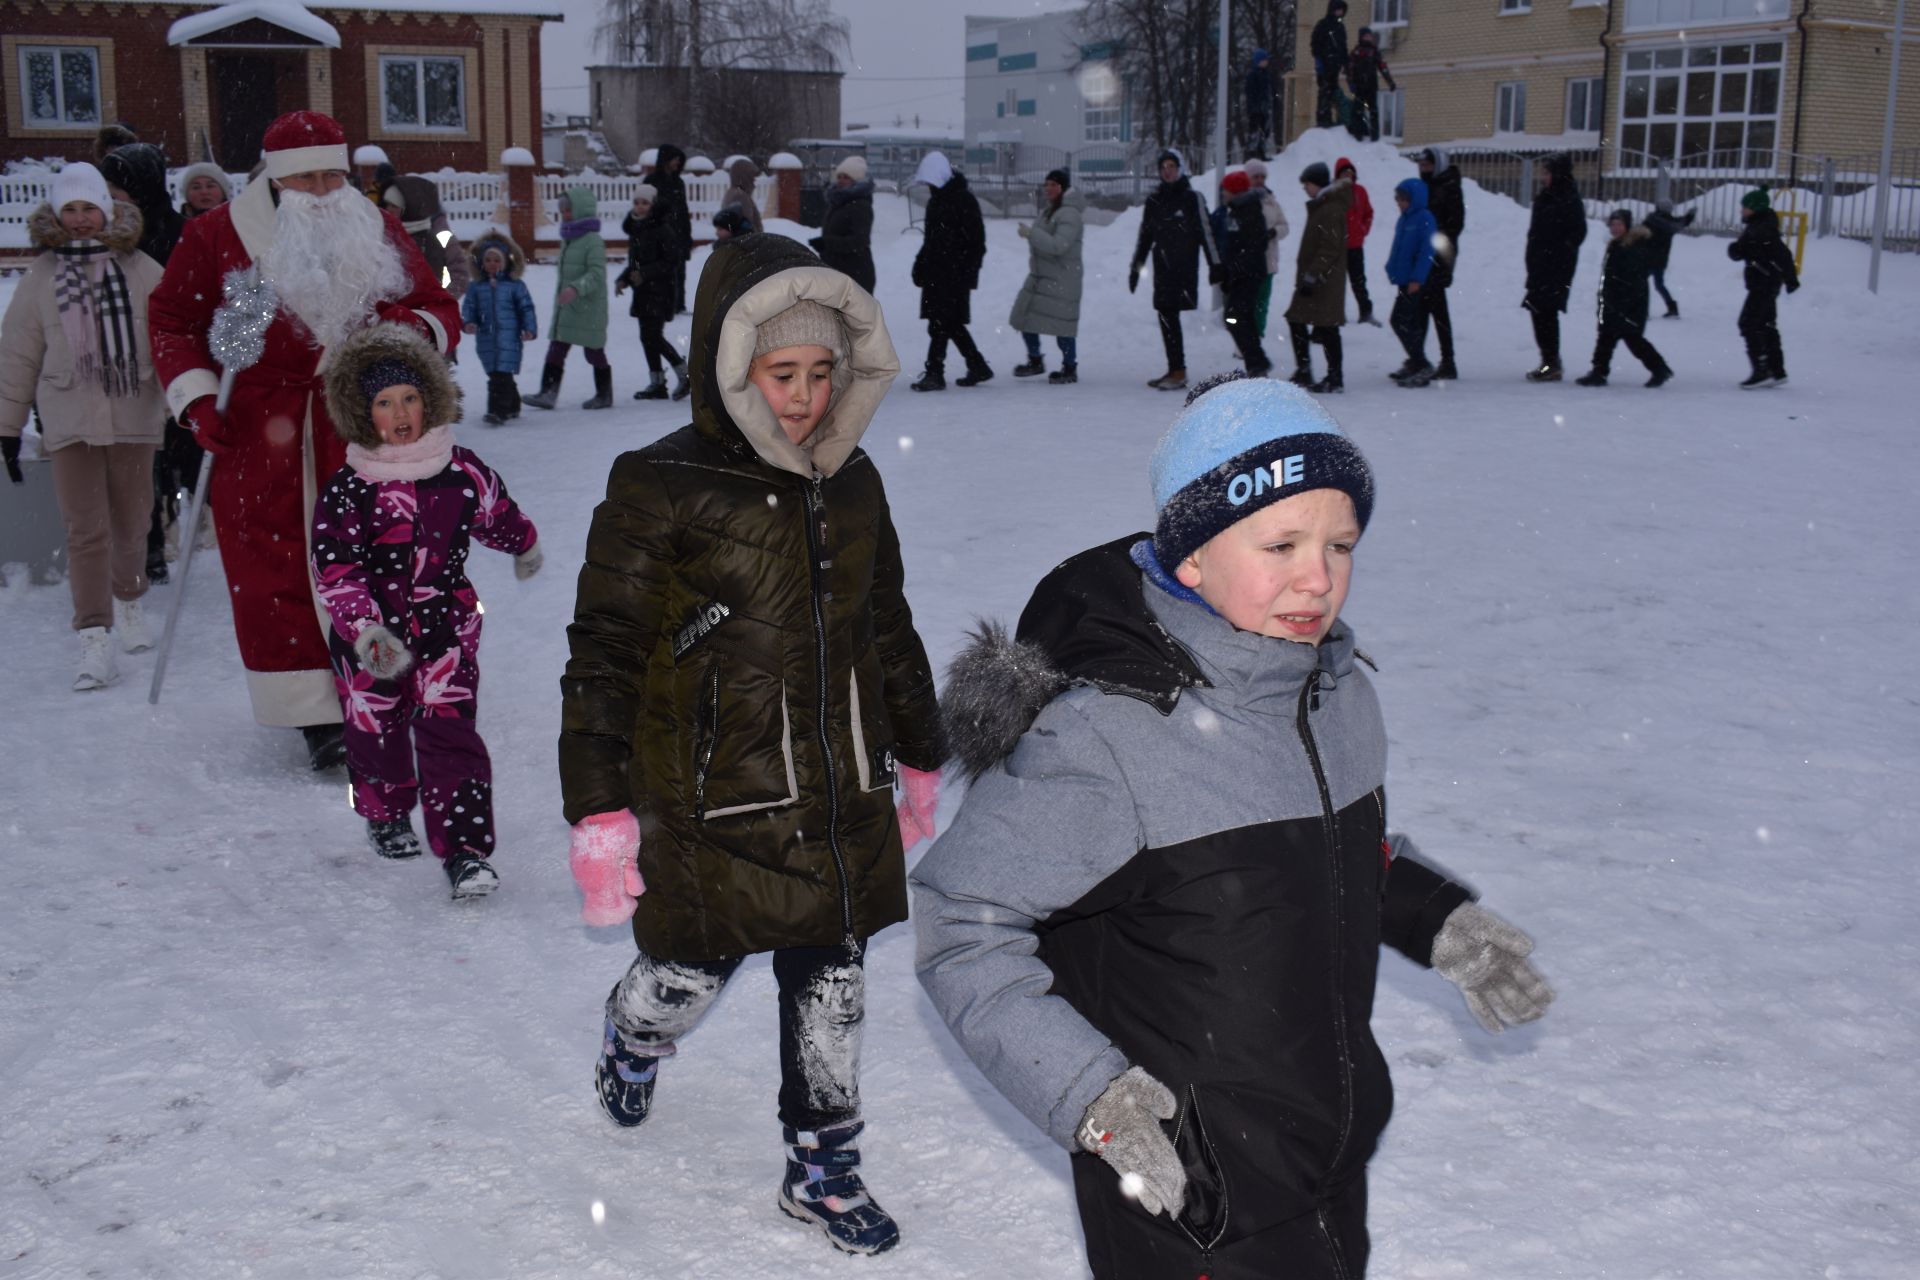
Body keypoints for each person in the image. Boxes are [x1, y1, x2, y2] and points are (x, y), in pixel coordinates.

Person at [912, 372, 1555, 1280]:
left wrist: (1431, 917)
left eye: (1341, 545)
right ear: (1191, 558)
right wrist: (1090, 1094)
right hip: (1189, 1193)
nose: (1317, 578)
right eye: (1281, 544)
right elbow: (960, 920)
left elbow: (1320, 856)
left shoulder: (1334, 691)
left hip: (1322, 1159)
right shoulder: (1110, 735)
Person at [560, 234, 945, 1258]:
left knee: (833, 975)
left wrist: (918, 741)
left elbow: (885, 618)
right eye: (784, 374)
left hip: (836, 781)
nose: (807, 397)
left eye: (824, 373)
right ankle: (637, 1028)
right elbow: (605, 648)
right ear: (732, 365)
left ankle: (823, 1163)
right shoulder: (661, 483)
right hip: (713, 790)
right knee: (690, 970)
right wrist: (598, 805)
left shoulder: (854, 481)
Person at [148, 111, 460, 771]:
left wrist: (414, 330)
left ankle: (376, 683)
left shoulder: (378, 226)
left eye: (331, 174)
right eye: (305, 177)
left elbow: (438, 305)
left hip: (359, 418)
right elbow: (172, 317)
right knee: (275, 565)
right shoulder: (215, 235)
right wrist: (199, 396)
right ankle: (314, 713)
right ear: (276, 178)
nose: (322, 189)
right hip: (260, 424)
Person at [313, 323, 540, 897]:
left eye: (411, 398)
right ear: (365, 414)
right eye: (385, 403)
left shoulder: (459, 469)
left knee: (450, 734)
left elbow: (497, 512)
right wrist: (365, 631)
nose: (402, 413)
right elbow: (335, 567)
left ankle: (464, 851)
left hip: (446, 629)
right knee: (377, 729)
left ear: (431, 399)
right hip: (372, 638)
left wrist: (524, 544)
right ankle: (385, 811)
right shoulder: (351, 487)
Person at [0, 162, 166, 690]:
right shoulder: (40, 278)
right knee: (84, 531)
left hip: (132, 414)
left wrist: (183, 400)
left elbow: (170, 338)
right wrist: (8, 424)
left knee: (134, 522)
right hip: (69, 418)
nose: (79, 219)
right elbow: (17, 356)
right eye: (68, 209)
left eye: (87, 208)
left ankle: (131, 602)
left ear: (106, 211)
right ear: (56, 214)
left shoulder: (142, 270)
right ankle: (94, 638)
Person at [99, 142, 194, 587]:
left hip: (174, 359)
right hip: (123, 360)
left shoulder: (178, 231)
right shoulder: (105, 233)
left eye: (119, 185)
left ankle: (184, 528)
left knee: (177, 454)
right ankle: (149, 545)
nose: (113, 195)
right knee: (142, 464)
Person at [1129, 149, 1222, 393]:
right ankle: (1175, 369)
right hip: (1162, 269)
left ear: (1179, 169)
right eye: (1163, 167)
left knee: (1170, 314)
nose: (1167, 171)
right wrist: (1136, 268)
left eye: (1172, 166)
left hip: (1183, 270)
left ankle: (1178, 370)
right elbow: (1145, 236)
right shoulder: (1154, 201)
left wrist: (1216, 265)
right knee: (1165, 315)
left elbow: (1206, 232)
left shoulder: (1192, 198)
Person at [523, 186, 612, 411]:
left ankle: (604, 395)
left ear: (581, 209)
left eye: (568, 209)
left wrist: (575, 288)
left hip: (588, 307)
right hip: (568, 306)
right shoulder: (569, 237)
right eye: (562, 209)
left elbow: (597, 274)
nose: (564, 213)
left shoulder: (592, 240)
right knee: (557, 348)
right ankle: (547, 393)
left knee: (593, 351)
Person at [909, 150, 991, 391]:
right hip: (937, 273)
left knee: (941, 324)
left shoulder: (963, 200)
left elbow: (977, 242)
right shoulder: (937, 200)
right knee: (948, 323)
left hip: (954, 275)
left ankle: (935, 372)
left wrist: (967, 272)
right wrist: (920, 264)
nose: (928, 187)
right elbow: (931, 240)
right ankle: (977, 365)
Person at [1574, 210, 1674, 389]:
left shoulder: (1631, 247)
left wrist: (1620, 301)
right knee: (1606, 338)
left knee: (1632, 339)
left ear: (1627, 226)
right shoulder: (1617, 245)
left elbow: (1632, 278)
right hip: (1615, 301)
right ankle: (1599, 372)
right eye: (1613, 224)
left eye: (1619, 224)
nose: (1615, 228)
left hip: (1628, 303)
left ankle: (1660, 369)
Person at [1009, 167, 1085, 385]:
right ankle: (1035, 361)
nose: (1048, 189)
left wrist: (1032, 233)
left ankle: (1069, 367)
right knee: (1024, 315)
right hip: (1042, 276)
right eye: (1047, 184)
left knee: (1063, 324)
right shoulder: (1051, 210)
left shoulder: (1069, 214)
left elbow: (1059, 245)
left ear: (1063, 188)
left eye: (1054, 185)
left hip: (1063, 278)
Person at [615, 184, 691, 402]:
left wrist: (645, 274)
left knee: (653, 336)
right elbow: (636, 261)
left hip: (660, 290)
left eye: (645, 203)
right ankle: (657, 382)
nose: (639, 207)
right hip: (643, 291)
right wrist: (624, 279)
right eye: (636, 202)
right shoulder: (638, 228)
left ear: (653, 204)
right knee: (646, 337)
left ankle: (684, 374)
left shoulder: (662, 228)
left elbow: (671, 261)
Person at [1285, 161, 1351, 393]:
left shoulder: (1330, 208)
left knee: (1327, 327)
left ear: (1317, 183)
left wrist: (1314, 275)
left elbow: (1330, 248)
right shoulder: (1323, 206)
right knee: (1299, 320)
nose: (1305, 188)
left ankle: (1334, 377)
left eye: (1307, 184)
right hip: (1317, 279)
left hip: (1324, 281)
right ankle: (1307, 370)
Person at [461, 230, 539, 424]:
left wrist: (528, 328)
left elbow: (526, 308)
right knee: (497, 373)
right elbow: (469, 307)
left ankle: (497, 411)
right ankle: (513, 405)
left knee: (500, 376)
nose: (492, 264)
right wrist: (469, 322)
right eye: (488, 260)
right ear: (481, 262)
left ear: (505, 262)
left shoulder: (515, 286)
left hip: (509, 337)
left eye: (497, 260)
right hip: (486, 338)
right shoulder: (476, 287)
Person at [1522, 153, 1587, 382]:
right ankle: (1549, 360)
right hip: (1539, 265)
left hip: (1555, 267)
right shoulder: (1546, 197)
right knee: (1538, 311)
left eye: (1547, 172)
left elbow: (1578, 232)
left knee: (1546, 312)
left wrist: (1560, 252)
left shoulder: (1568, 198)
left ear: (1558, 174)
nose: (1543, 177)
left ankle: (1552, 362)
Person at [1727, 188, 1799, 389]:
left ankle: (1762, 370)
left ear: (1755, 208)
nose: (1742, 211)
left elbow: (1782, 254)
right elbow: (1743, 251)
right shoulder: (1760, 225)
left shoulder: (1760, 229)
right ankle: (1776, 370)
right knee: (1766, 325)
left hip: (1763, 284)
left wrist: (1791, 278)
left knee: (1748, 323)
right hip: (1766, 283)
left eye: (1745, 208)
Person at [377, 164, 471, 298]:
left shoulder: (437, 233)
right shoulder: (383, 235)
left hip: (426, 313)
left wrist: (441, 301)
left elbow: (459, 271)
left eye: (394, 205)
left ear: (408, 209)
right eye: (386, 204)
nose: (388, 209)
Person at [1217, 169, 1272, 376]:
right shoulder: (1238, 211)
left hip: (1248, 276)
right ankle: (1256, 361)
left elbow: (1253, 247)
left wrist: (1234, 270)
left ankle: (1256, 361)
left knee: (1234, 317)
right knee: (1240, 318)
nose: (1223, 194)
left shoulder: (1247, 212)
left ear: (1235, 191)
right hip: (1242, 275)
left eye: (1226, 190)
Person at [1384, 177, 1439, 386]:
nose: (1399, 202)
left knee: (1400, 321)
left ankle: (1422, 363)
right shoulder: (1404, 219)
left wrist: (1417, 277)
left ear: (1413, 199)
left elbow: (1427, 251)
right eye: (1397, 198)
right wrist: (1391, 267)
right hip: (1404, 280)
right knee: (1406, 322)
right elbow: (1398, 247)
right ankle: (1416, 361)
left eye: (1403, 199)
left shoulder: (1424, 218)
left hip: (1414, 282)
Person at [1416, 146, 1463, 379]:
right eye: (1422, 166)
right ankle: (1419, 357)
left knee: (1437, 310)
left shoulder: (1449, 188)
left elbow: (1454, 227)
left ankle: (1447, 361)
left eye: (1428, 165)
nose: (1423, 169)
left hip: (1440, 257)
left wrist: (1441, 258)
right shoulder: (1428, 186)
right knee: (1423, 310)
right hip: (1425, 255)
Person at [810, 155, 876, 293]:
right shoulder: (838, 202)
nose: (840, 180)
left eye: (846, 177)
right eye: (839, 176)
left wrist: (827, 243)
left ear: (856, 180)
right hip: (837, 272)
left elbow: (860, 241)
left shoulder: (860, 205)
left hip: (855, 274)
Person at [1243, 158, 1289, 339]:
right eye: (1255, 176)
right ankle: (1243, 334)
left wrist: (1273, 232)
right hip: (1247, 260)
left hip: (1268, 259)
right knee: (1247, 301)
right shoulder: (1242, 200)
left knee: (1262, 301)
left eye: (1262, 176)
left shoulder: (1271, 201)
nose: (1260, 180)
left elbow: (1284, 226)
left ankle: (1258, 332)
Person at [1335, 158, 1378, 326]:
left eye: (1350, 173)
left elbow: (1369, 213)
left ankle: (1366, 312)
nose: (1348, 176)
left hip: (1355, 246)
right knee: (1336, 284)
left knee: (1359, 282)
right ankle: (1336, 314)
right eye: (1344, 173)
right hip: (1337, 247)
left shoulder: (1360, 191)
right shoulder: (1333, 193)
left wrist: (1363, 229)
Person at [652, 144, 693, 313]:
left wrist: (687, 236)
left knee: (679, 270)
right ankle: (661, 303)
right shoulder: (652, 182)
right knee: (660, 271)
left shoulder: (678, 182)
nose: (677, 162)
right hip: (659, 234)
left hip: (678, 233)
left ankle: (678, 304)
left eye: (679, 159)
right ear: (666, 160)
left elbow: (683, 210)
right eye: (674, 158)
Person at [1643, 198, 1695, 319]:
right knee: (1659, 285)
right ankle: (1672, 308)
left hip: (1647, 258)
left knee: (1641, 284)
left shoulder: (1651, 220)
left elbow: (1641, 235)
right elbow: (1682, 223)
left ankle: (1643, 311)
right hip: (1661, 260)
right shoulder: (1670, 224)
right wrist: (1690, 216)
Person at [1344, 27, 1397, 143]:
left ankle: (1375, 136)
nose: (1368, 38)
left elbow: (1383, 68)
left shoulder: (1374, 52)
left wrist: (1390, 82)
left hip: (1371, 86)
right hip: (1359, 86)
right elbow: (1349, 70)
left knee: (1373, 111)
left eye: (1369, 36)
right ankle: (1358, 134)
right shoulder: (1356, 52)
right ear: (1361, 37)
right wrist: (1351, 83)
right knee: (1358, 110)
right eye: (1365, 36)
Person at [1310, 0, 1351, 128]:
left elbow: (1343, 47)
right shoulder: (1323, 25)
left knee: (1332, 90)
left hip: (1335, 66)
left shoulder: (1340, 27)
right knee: (1324, 90)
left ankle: (1330, 118)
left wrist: (1345, 63)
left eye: (1342, 10)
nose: (1340, 12)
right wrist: (1319, 60)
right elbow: (1315, 44)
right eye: (1338, 9)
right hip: (1325, 64)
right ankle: (1323, 118)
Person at [721, 156, 764, 235]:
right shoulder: (740, 197)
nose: (754, 183)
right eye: (752, 178)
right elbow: (745, 229)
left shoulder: (733, 193)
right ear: (745, 178)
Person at [1244, 49, 1274, 156]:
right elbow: (1251, 92)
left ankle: (1260, 152)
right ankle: (1253, 153)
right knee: (1255, 131)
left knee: (1264, 130)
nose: (1266, 62)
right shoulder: (1253, 75)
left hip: (1263, 107)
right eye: (1264, 60)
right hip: (1256, 108)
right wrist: (1255, 106)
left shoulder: (1265, 74)